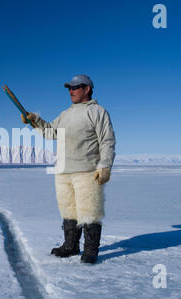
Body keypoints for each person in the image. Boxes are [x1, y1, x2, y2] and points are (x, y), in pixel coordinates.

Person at [21, 74, 116, 263]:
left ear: (87, 89)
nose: (71, 91)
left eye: (75, 87)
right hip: (64, 170)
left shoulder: (98, 111)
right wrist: (34, 120)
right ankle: (71, 246)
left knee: (89, 211)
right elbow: (50, 132)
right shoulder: (66, 114)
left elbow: (107, 140)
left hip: (87, 170)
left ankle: (90, 251)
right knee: (68, 210)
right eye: (69, 88)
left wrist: (105, 165)